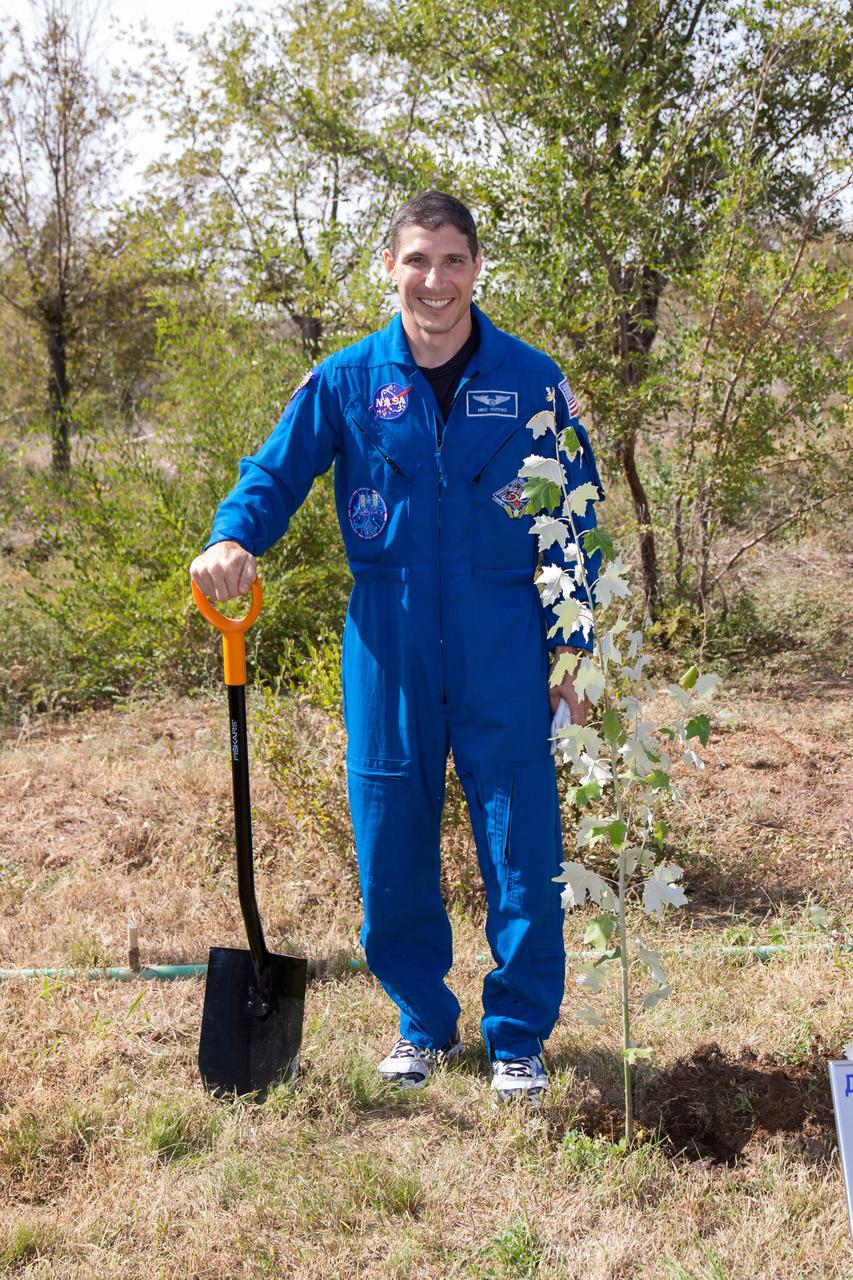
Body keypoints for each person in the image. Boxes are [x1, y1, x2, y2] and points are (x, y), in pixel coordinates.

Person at [190, 192, 604, 1105]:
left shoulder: (533, 381)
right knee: (390, 839)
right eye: (418, 261)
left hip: (504, 637)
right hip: (388, 638)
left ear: (477, 270)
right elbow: (271, 474)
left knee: (520, 839)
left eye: (453, 261)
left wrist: (574, 651)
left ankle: (517, 1037)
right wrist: (232, 537)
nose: (435, 280)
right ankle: (421, 1024)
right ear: (390, 268)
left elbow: (574, 523)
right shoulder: (344, 381)